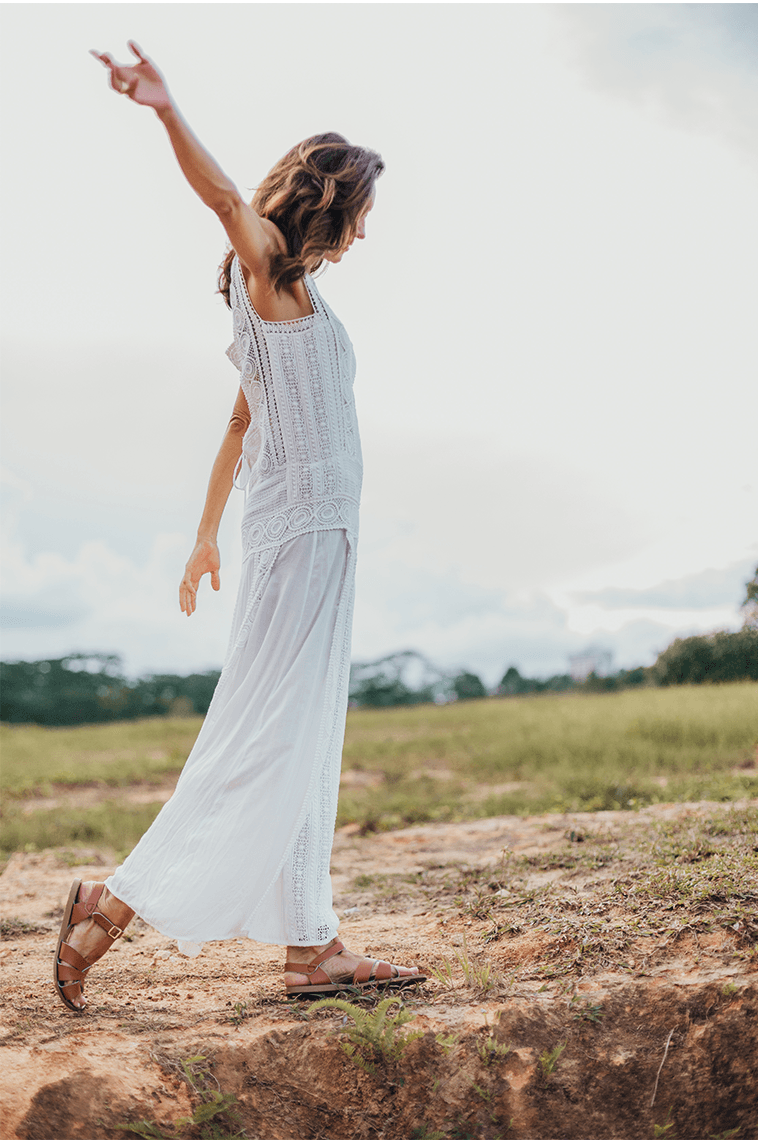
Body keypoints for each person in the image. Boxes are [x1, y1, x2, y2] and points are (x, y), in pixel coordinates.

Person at [54, 42, 424, 1012]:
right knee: (266, 736)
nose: (364, 234)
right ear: (329, 205)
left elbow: (237, 421)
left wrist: (204, 535)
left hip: (311, 537)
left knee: (302, 737)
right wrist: (166, 109)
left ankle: (311, 948)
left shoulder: (294, 296)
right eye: (361, 215)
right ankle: (112, 901)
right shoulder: (268, 275)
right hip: (303, 536)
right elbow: (225, 201)